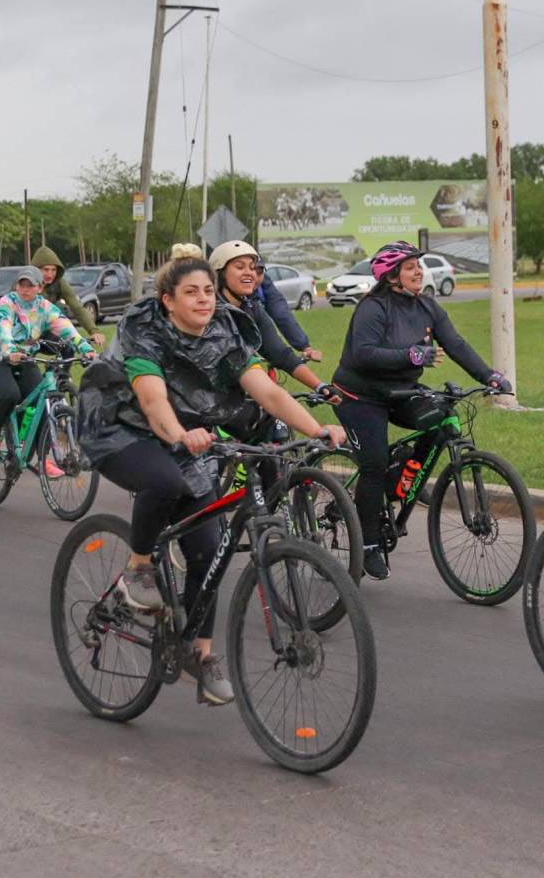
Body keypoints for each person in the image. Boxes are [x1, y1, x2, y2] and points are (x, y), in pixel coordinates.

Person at [77, 254, 346, 706]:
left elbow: (267, 392)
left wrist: (315, 429)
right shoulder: (146, 331)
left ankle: (198, 655)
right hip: (118, 426)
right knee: (163, 481)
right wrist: (181, 435)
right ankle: (139, 567)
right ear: (167, 301)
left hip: (186, 433)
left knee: (208, 548)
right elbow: (151, 398)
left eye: (207, 291)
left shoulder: (225, 330)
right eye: (190, 293)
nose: (203, 299)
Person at [331, 241, 512, 581]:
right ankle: (368, 543)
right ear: (392, 276)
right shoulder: (373, 308)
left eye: (419, 265)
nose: (419, 272)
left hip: (401, 390)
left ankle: (406, 471)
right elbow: (363, 355)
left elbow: (455, 344)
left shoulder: (426, 306)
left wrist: (489, 374)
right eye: (411, 267)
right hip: (359, 395)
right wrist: (411, 356)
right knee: (373, 464)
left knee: (440, 416)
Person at [0, 266, 96, 476]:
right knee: (9, 394)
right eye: (22, 284)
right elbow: (2, 326)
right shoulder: (7, 303)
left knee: (43, 400)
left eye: (30, 285)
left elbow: (65, 327)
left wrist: (86, 349)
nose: (25, 289)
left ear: (40, 288)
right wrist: (9, 349)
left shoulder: (45, 308)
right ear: (16, 285)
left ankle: (44, 459)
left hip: (25, 359)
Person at [208, 240, 332, 398]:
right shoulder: (209, 313)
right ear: (220, 273)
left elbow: (280, 354)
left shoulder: (252, 308)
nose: (249, 273)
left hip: (242, 397)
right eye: (240, 267)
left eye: (253, 268)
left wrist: (320, 386)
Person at [31, 245, 105, 350]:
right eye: (46, 270)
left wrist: (94, 331)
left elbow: (77, 307)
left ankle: (56, 367)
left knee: (68, 349)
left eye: (53, 270)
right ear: (35, 270)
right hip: (24, 333)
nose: (50, 274)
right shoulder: (25, 284)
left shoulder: (59, 283)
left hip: (47, 330)